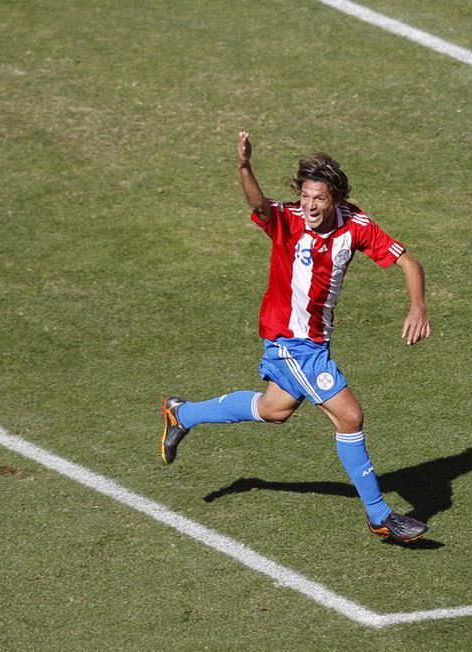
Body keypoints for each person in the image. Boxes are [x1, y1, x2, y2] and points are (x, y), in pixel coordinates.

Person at [160, 131, 432, 544]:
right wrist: (244, 167)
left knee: (275, 409)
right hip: (292, 341)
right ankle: (379, 516)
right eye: (304, 196)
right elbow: (259, 205)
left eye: (318, 199)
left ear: (336, 198)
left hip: (316, 340)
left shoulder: (355, 225)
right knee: (349, 416)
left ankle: (183, 414)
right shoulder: (287, 221)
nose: (309, 206)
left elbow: (409, 262)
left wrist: (418, 307)